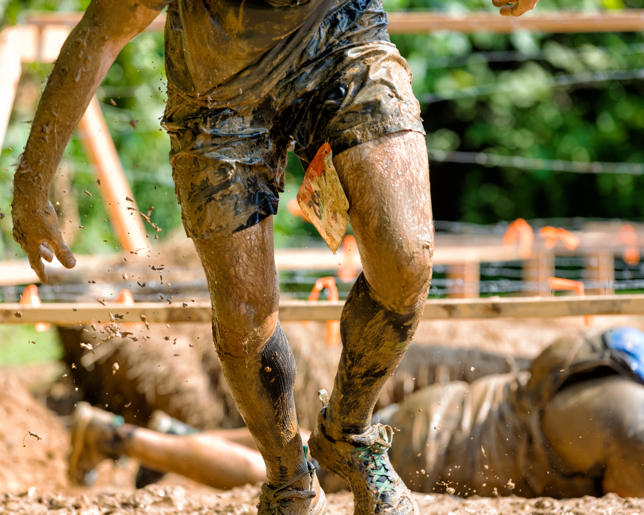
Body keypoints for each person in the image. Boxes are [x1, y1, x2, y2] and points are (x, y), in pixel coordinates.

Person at [11, 0, 541, 512]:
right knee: (245, 318)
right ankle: (289, 477)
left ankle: (348, 434)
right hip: (216, 87)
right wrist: (33, 181)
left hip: (342, 36)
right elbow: (100, 32)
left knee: (407, 259)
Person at [69, 326, 644, 499]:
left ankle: (177, 434)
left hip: (440, 410)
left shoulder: (618, 349)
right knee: (292, 483)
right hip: (436, 454)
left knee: (294, 449)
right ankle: (118, 438)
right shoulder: (633, 426)